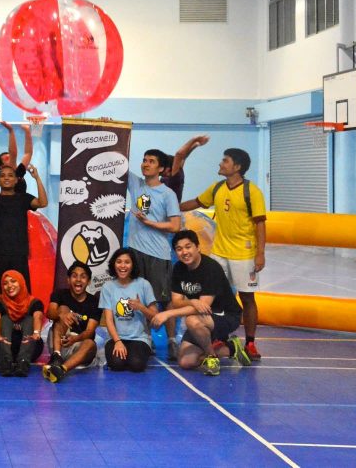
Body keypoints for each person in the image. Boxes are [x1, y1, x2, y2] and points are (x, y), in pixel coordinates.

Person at [180, 148, 267, 361]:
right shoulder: (218, 187)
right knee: (215, 297)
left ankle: (250, 343)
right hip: (220, 252)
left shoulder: (251, 191)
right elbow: (196, 202)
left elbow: (260, 224)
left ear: (237, 167)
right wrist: (170, 208)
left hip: (243, 254)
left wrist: (260, 254)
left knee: (247, 298)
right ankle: (220, 336)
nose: (220, 163)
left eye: (225, 161)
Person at [152, 231, 251, 376]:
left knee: (191, 320)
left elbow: (203, 307)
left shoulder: (211, 268)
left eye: (188, 247)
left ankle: (211, 358)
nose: (184, 252)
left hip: (227, 315)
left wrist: (167, 313)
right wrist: (192, 300)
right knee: (186, 362)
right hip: (204, 318)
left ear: (197, 247)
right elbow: (177, 301)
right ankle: (231, 348)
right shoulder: (179, 269)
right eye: (179, 249)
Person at [124, 150, 181, 358]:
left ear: (161, 169)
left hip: (158, 254)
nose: (146, 164)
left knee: (165, 300)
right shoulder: (135, 184)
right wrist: (109, 127)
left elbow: (175, 225)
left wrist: (151, 223)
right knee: (140, 297)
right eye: (144, 160)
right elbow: (117, 154)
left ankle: (173, 341)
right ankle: (145, 339)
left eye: (151, 161)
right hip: (135, 252)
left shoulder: (167, 194)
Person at [0, 154, 48, 295]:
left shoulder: (23, 198)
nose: (6, 178)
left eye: (10, 175)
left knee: (21, 292)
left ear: (16, 180)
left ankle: (22, 316)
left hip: (18, 253)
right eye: (3, 176)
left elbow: (43, 202)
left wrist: (36, 178)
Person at [99, 248, 158, 373]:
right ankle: (123, 352)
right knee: (116, 364)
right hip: (116, 338)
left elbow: (155, 317)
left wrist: (141, 307)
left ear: (133, 265)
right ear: (114, 264)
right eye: (119, 262)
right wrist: (118, 341)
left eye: (127, 262)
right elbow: (109, 320)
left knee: (136, 364)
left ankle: (139, 352)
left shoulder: (144, 284)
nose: (122, 266)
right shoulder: (107, 287)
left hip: (139, 338)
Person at [42, 261, 101, 383]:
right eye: (74, 276)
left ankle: (61, 369)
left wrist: (75, 339)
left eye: (83, 276)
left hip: (79, 346)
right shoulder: (59, 294)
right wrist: (61, 315)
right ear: (68, 280)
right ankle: (56, 357)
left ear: (88, 281)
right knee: (63, 309)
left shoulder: (94, 302)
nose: (78, 280)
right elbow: (50, 313)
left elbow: (90, 331)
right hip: (59, 341)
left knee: (91, 343)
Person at [0, 269, 44, 377]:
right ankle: (6, 361)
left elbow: (37, 317)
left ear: (21, 282)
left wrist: (36, 332)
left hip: (28, 346)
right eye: (5, 283)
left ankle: (23, 362)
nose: (9, 285)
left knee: (29, 320)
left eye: (13, 281)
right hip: (4, 346)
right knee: (5, 319)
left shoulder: (34, 302)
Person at [159, 134, 210, 202]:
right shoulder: (169, 175)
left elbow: (179, 155)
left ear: (168, 168)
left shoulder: (174, 177)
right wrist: (195, 145)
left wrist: (194, 139)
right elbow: (183, 157)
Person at [0, 120, 33, 194]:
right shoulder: (9, 175)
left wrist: (27, 131)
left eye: (9, 156)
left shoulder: (19, 171)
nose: (11, 158)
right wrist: (11, 131)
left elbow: (28, 153)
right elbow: (13, 154)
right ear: (2, 167)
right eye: (7, 158)